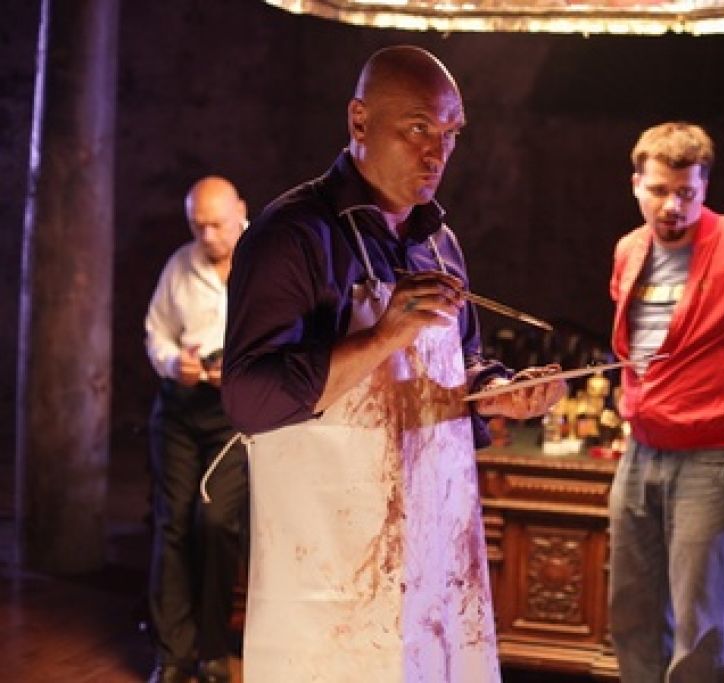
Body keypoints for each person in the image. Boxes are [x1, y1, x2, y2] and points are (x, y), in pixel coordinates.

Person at [221, 45, 565, 683]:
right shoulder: (291, 235)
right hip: (331, 566)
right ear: (359, 121)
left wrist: (495, 391)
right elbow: (248, 397)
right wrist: (383, 336)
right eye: (417, 129)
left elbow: (459, 363)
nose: (437, 153)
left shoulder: (440, 243)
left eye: (450, 133)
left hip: (432, 558)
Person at [607, 122, 724, 682]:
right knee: (632, 613)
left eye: (686, 192)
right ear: (637, 184)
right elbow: (640, 344)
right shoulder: (630, 249)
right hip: (641, 450)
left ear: (705, 187)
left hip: (714, 455)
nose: (672, 205)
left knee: (699, 626)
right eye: (659, 190)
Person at [144, 176, 250, 683]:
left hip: (236, 413)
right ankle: (171, 655)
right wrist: (173, 363)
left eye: (216, 225)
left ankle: (212, 649)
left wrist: (246, 370)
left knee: (215, 522)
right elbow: (157, 333)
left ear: (240, 212)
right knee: (172, 525)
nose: (207, 236)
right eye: (197, 226)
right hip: (180, 407)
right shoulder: (179, 265)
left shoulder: (265, 258)